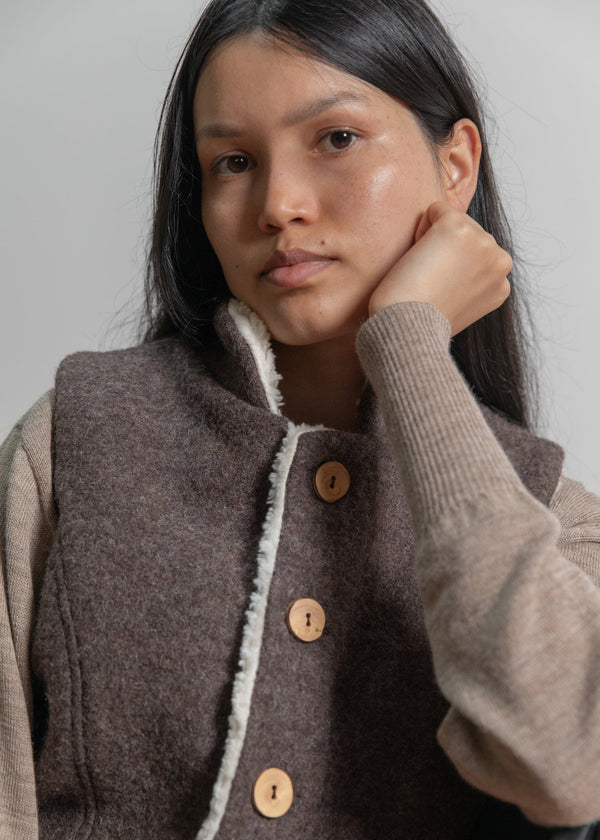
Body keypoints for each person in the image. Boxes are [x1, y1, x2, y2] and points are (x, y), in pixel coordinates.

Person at [1, 0, 600, 837]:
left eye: (337, 139)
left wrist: (411, 348)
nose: (279, 203)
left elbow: (569, 765)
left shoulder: (545, 511)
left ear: (456, 163)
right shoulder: (73, 441)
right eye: (234, 161)